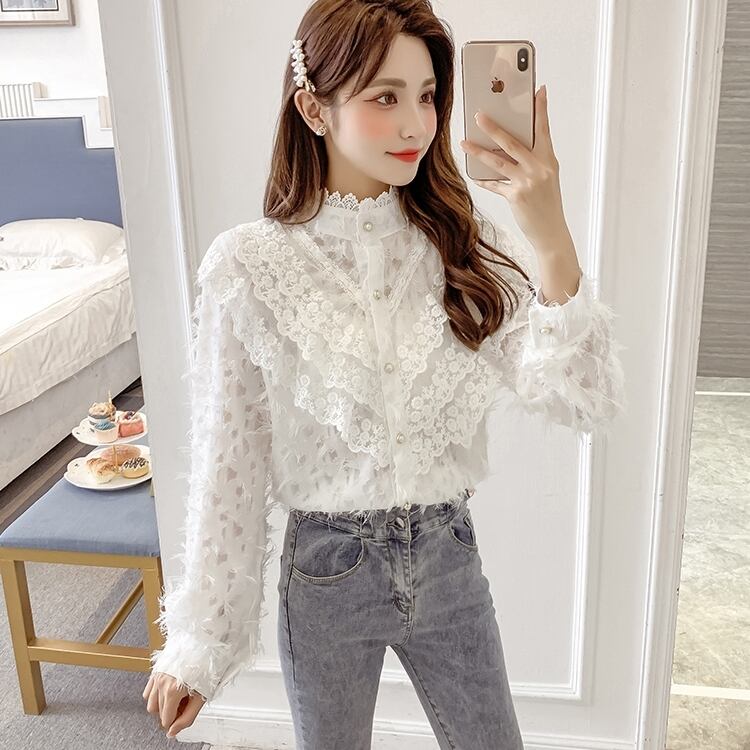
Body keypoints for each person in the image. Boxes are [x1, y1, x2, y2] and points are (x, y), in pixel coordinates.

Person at [143, 0, 627, 746]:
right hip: (328, 575)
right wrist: (199, 643)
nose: (415, 125)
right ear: (314, 107)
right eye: (385, 98)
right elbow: (228, 464)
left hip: (449, 559)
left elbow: (582, 398)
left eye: (427, 97)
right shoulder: (249, 265)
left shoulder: (463, 246)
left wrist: (551, 234)